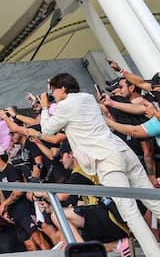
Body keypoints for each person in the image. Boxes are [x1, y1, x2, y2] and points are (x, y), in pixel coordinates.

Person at [39, 72, 160, 256]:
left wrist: (45, 108)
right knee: (153, 201)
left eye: (53, 90)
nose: (52, 94)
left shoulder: (64, 106)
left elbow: (47, 129)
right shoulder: (87, 98)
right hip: (123, 152)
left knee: (130, 214)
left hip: (107, 160)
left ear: (63, 89)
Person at [0, 145, 40, 251]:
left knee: (38, 239)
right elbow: (2, 195)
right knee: (29, 245)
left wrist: (4, 205)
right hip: (14, 213)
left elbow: (19, 191)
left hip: (23, 209)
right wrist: (3, 211)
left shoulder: (11, 169)